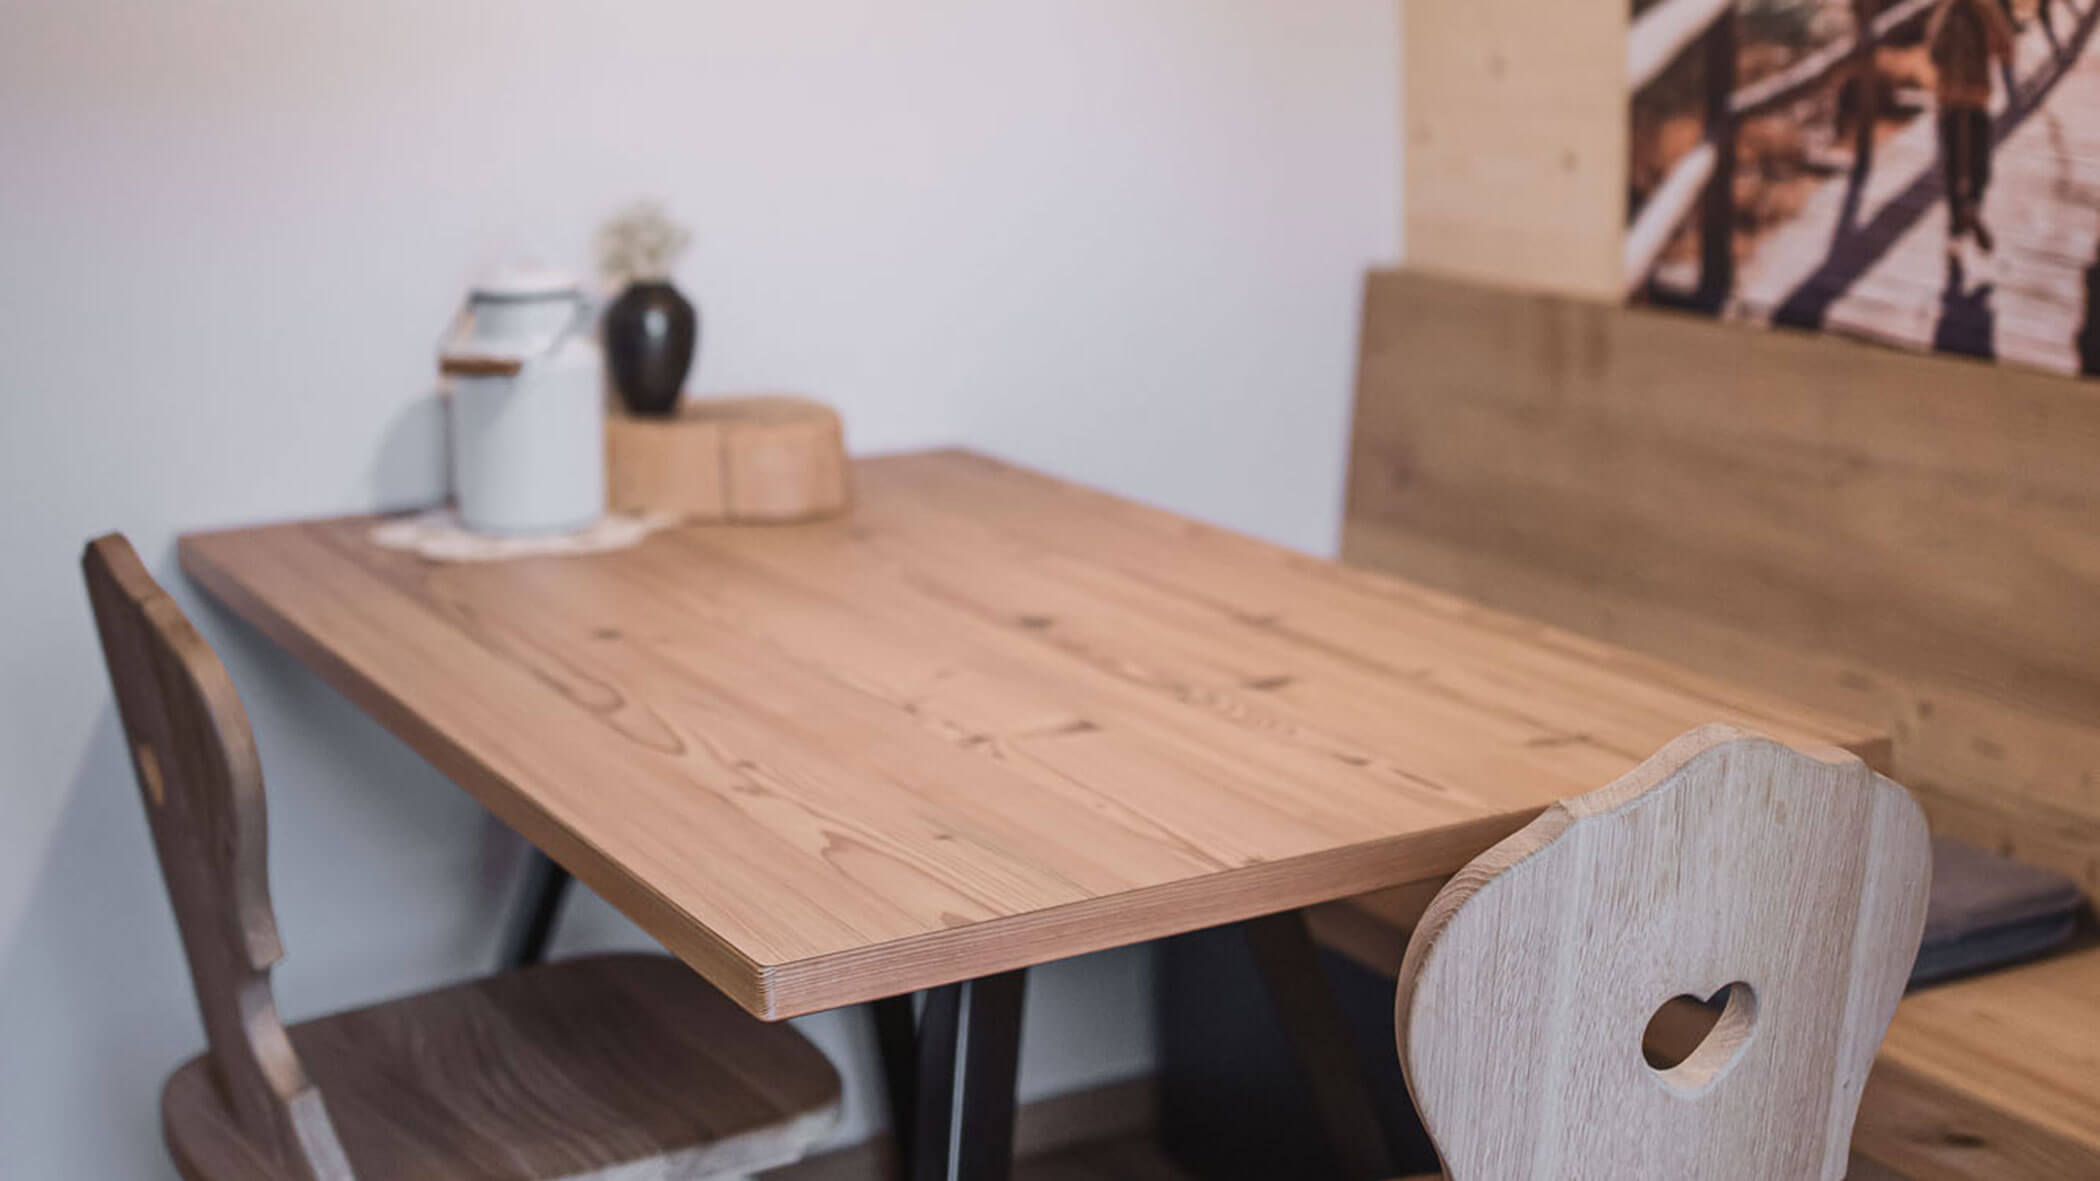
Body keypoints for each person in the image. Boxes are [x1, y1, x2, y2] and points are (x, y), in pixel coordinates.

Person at [1928, 0, 2017, 255]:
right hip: (1977, 97)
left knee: (1952, 166)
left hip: (1948, 99)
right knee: (1979, 164)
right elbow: (2006, 45)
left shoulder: (1944, 10)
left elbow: (1933, 50)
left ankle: (1955, 229)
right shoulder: (1985, 8)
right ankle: (1973, 207)